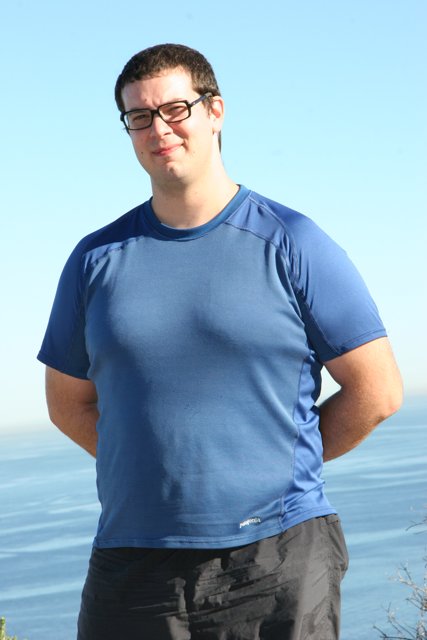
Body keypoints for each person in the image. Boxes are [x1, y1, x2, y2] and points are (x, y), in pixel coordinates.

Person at [38, 43, 403, 640]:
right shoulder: (93, 260)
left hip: (278, 557)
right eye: (139, 116)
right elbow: (67, 404)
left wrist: (279, 470)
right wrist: (161, 478)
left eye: (176, 108)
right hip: (133, 563)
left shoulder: (294, 242)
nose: (160, 128)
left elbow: (378, 391)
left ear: (216, 112)